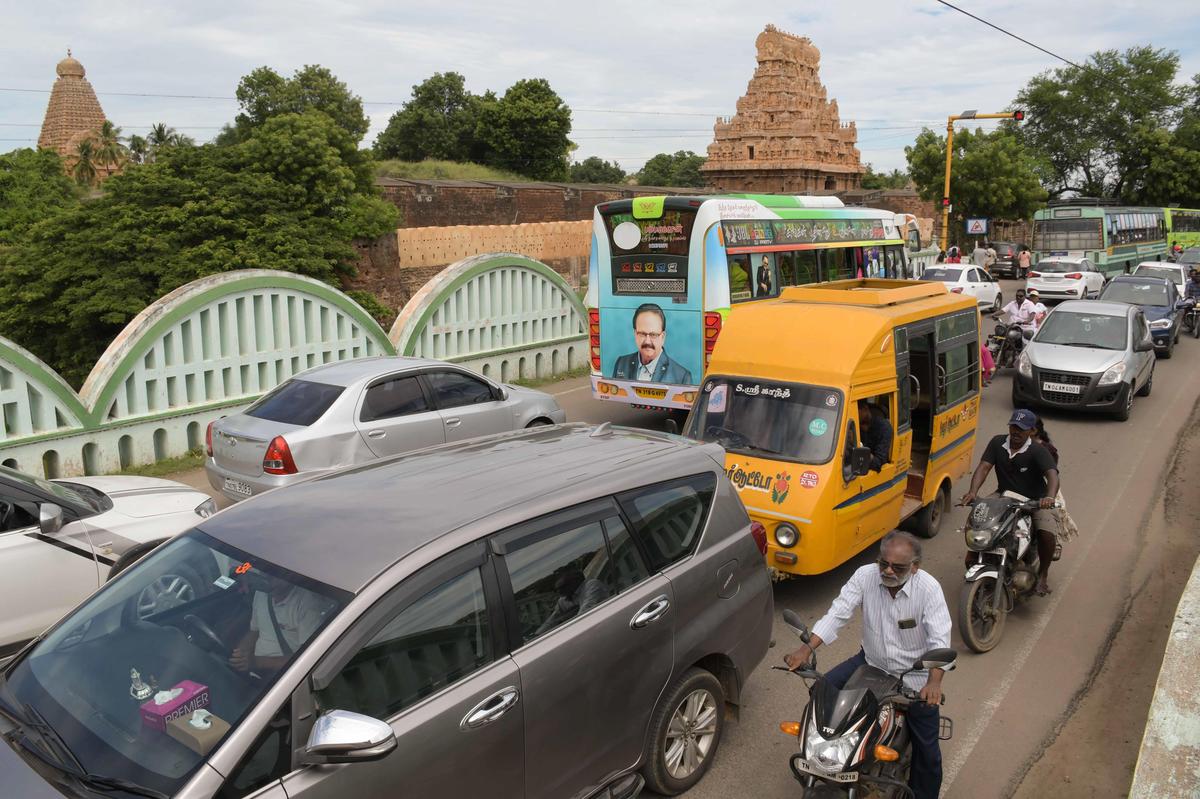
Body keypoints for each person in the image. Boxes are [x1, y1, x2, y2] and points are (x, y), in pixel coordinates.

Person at [784, 531, 951, 799]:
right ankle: (829, 759)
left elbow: (939, 639)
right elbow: (839, 612)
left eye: (898, 567)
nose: (887, 570)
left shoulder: (928, 590)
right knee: (821, 692)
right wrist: (806, 648)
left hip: (914, 676)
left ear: (915, 567)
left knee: (928, 752)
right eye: (883, 563)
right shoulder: (865, 576)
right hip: (870, 662)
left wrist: (934, 682)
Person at [960, 409, 1060, 595]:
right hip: (1004, 495)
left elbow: (1052, 475)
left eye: (1021, 429)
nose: (1015, 432)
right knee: (979, 515)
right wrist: (973, 492)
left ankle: (1043, 574)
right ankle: (975, 555)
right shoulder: (997, 443)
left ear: (1031, 431)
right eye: (1013, 426)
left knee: (1046, 534)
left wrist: (1049, 498)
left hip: (1034, 501)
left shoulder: (1038, 450)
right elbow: (984, 467)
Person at [230, 574, 332, 674]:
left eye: (274, 575)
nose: (268, 580)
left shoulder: (309, 605)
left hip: (283, 675)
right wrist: (239, 655)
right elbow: (255, 631)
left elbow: (307, 658)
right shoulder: (262, 593)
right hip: (255, 669)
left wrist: (256, 662)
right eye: (265, 574)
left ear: (292, 576)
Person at [610, 303, 693, 384]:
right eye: (642, 334)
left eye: (653, 335)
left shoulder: (682, 377)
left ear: (663, 337)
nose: (647, 341)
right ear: (635, 334)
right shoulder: (621, 363)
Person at [536, 567, 610, 635]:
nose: (559, 592)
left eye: (563, 587)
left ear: (575, 581)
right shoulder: (563, 600)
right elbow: (552, 619)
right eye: (557, 590)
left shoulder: (591, 585)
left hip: (604, 624)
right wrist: (538, 634)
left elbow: (585, 612)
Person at [857, 399, 892, 472]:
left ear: (865, 409)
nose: (854, 415)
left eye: (856, 412)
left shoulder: (883, 427)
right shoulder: (853, 426)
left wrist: (861, 449)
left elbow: (878, 463)